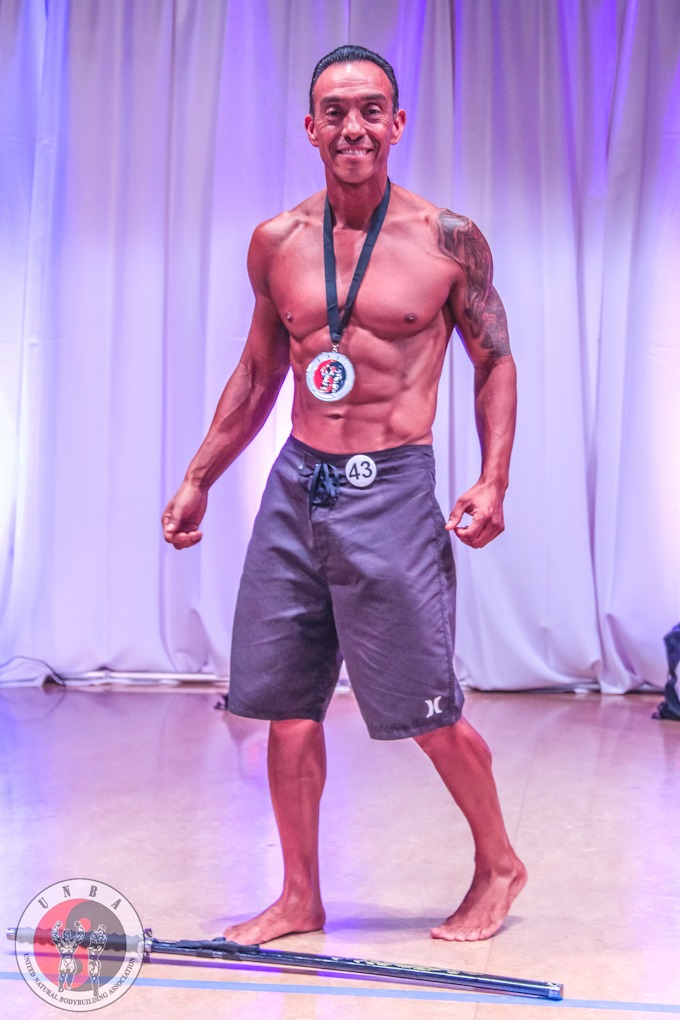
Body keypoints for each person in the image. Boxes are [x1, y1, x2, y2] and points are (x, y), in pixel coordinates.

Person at [162, 44, 526, 945]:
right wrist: (200, 475)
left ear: (397, 123)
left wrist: (493, 477)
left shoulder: (447, 238)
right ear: (310, 127)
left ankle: (499, 865)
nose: (352, 127)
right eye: (335, 111)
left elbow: (494, 361)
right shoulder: (277, 241)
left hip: (391, 489)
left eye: (370, 110)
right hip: (296, 485)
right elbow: (259, 372)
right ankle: (299, 896)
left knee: (426, 710)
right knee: (286, 709)